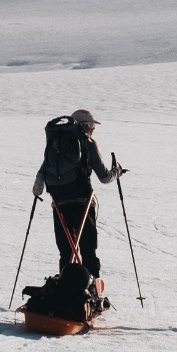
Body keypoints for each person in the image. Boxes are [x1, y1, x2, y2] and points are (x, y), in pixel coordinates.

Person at [33, 109, 124, 278]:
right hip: (83, 202)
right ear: (82, 126)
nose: (93, 129)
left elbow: (43, 171)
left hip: (59, 203)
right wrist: (117, 172)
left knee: (66, 251)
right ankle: (92, 286)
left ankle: (65, 286)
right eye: (91, 125)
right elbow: (104, 177)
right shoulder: (87, 143)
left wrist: (38, 192)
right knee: (88, 249)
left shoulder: (55, 145)